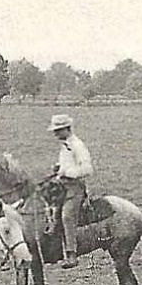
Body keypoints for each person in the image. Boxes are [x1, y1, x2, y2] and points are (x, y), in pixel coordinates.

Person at [48, 112, 93, 269]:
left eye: (57, 130)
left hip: (74, 187)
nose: (55, 134)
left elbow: (87, 168)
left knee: (67, 216)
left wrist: (67, 172)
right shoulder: (65, 145)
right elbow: (66, 164)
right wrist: (58, 168)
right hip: (62, 185)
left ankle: (71, 254)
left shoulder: (77, 145)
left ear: (66, 129)